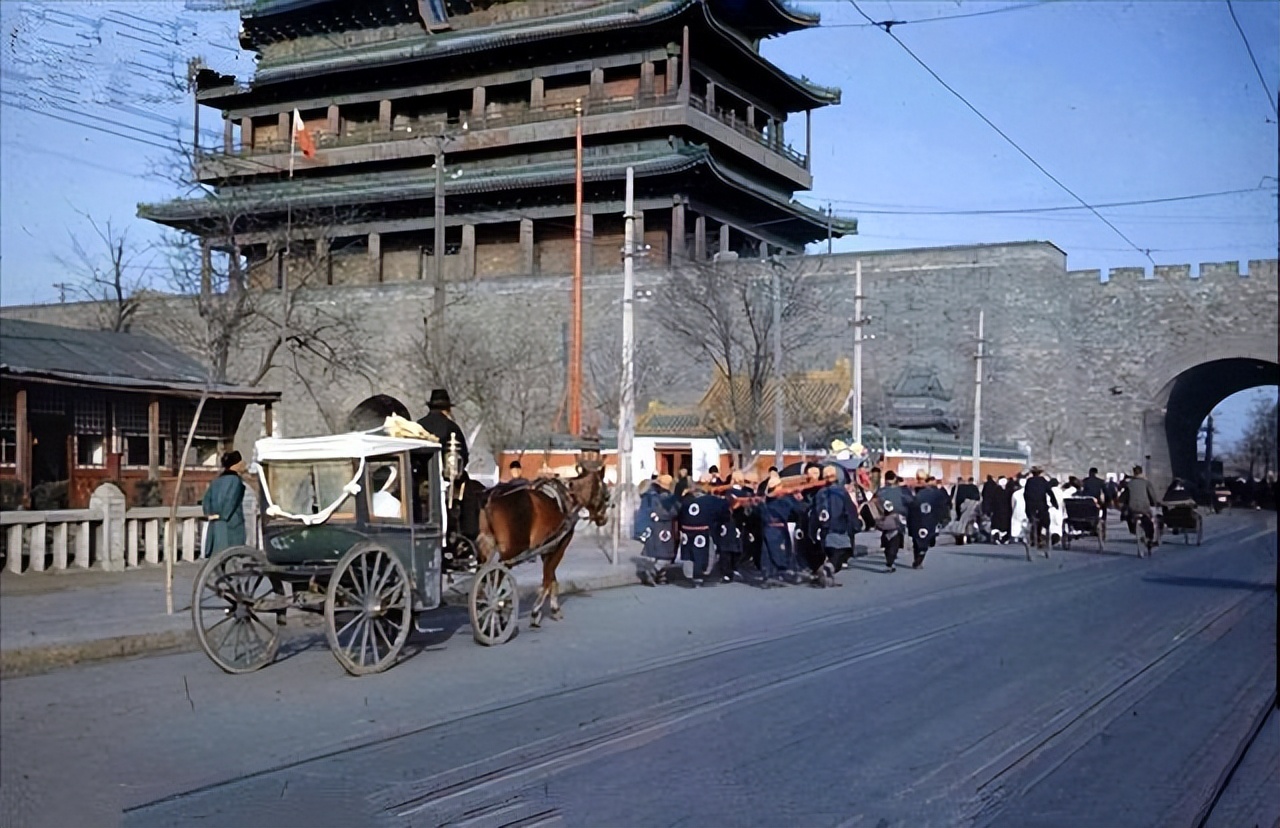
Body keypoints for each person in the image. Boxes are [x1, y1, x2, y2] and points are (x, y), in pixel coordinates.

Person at [810, 465, 857, 586]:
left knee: (831, 553)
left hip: (824, 530)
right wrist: (855, 525)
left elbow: (814, 513)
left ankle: (827, 577)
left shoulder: (820, 493)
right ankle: (828, 569)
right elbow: (850, 510)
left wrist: (813, 531)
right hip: (839, 527)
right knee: (843, 553)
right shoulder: (841, 492)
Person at [677, 480, 730, 587]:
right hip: (702, 530)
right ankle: (701, 574)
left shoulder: (685, 500)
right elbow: (724, 508)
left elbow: (679, 514)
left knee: (689, 553)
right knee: (706, 553)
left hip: (687, 530)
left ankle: (689, 576)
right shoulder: (710, 500)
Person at [757, 477, 807, 587]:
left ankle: (769, 575)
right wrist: (799, 500)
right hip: (778, 529)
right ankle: (781, 573)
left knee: (768, 553)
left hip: (767, 528)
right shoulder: (784, 500)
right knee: (779, 552)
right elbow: (800, 510)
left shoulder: (765, 500)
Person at [202, 450, 246, 557]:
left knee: (217, 555)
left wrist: (210, 513)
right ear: (235, 464)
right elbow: (231, 501)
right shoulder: (235, 481)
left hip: (215, 523)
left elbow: (206, 500)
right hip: (231, 523)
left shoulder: (216, 481)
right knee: (231, 555)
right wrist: (224, 514)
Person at [639, 474, 681, 585]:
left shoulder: (650, 496)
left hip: (653, 527)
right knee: (666, 555)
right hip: (665, 528)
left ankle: (661, 577)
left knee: (656, 553)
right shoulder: (667, 498)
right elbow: (673, 512)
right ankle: (653, 571)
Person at [907, 474, 950, 569]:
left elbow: (910, 506)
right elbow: (944, 507)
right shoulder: (938, 494)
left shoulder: (916, 493)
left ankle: (917, 559)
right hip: (930, 520)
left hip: (917, 520)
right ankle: (919, 559)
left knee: (917, 540)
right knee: (926, 540)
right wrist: (944, 520)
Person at [876, 471, 914, 571]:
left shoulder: (881, 492)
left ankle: (889, 557)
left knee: (887, 538)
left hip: (885, 519)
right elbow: (910, 502)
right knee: (895, 540)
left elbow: (877, 503)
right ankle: (890, 560)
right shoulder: (903, 491)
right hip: (899, 519)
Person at [1119, 465, 1161, 546]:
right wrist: (1154, 503)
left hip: (1132, 508)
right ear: (1141, 472)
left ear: (1134, 472)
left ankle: (1133, 530)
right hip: (1144, 508)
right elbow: (1152, 495)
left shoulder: (1129, 484)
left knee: (1129, 517)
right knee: (1150, 520)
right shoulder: (1146, 483)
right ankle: (1149, 539)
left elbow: (1123, 497)